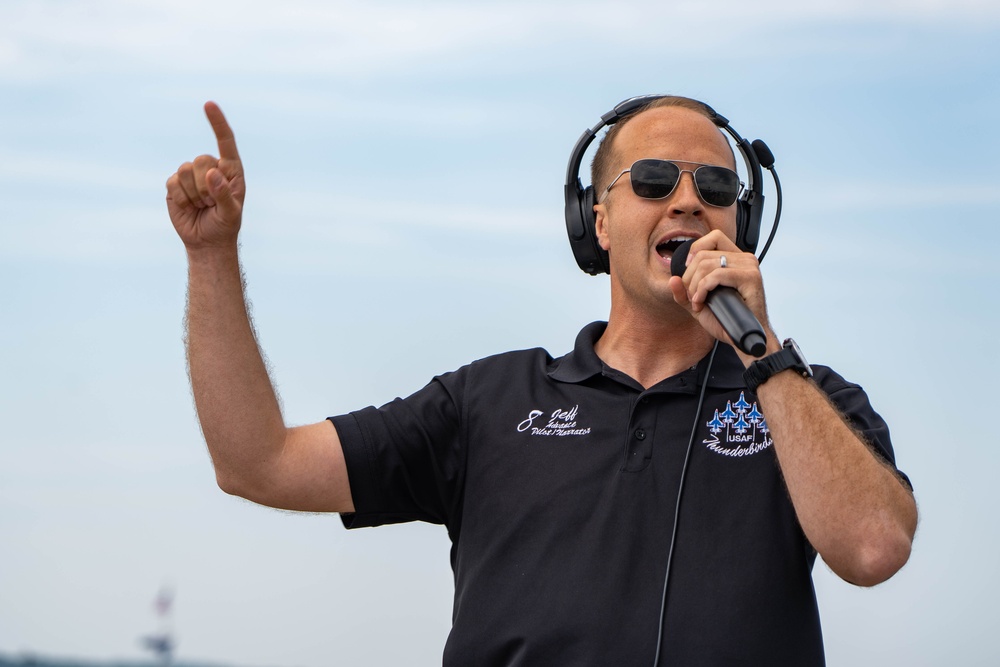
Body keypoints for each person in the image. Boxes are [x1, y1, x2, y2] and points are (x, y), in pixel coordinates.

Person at [166, 95, 917, 666]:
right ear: (596, 221)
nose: (688, 199)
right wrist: (211, 260)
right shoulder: (487, 404)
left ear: (742, 222)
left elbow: (875, 546)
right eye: (654, 179)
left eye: (715, 184)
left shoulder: (806, 399)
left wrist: (763, 356)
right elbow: (256, 462)